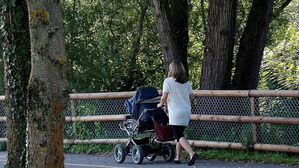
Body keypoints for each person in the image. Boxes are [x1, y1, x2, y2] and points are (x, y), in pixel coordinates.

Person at [157, 60, 198, 166]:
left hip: (175, 112)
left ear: (173, 69)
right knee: (180, 135)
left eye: (170, 68)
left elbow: (164, 97)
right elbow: (192, 98)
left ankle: (192, 153)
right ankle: (177, 158)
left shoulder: (168, 81)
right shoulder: (186, 82)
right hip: (186, 112)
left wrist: (160, 105)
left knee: (178, 135)